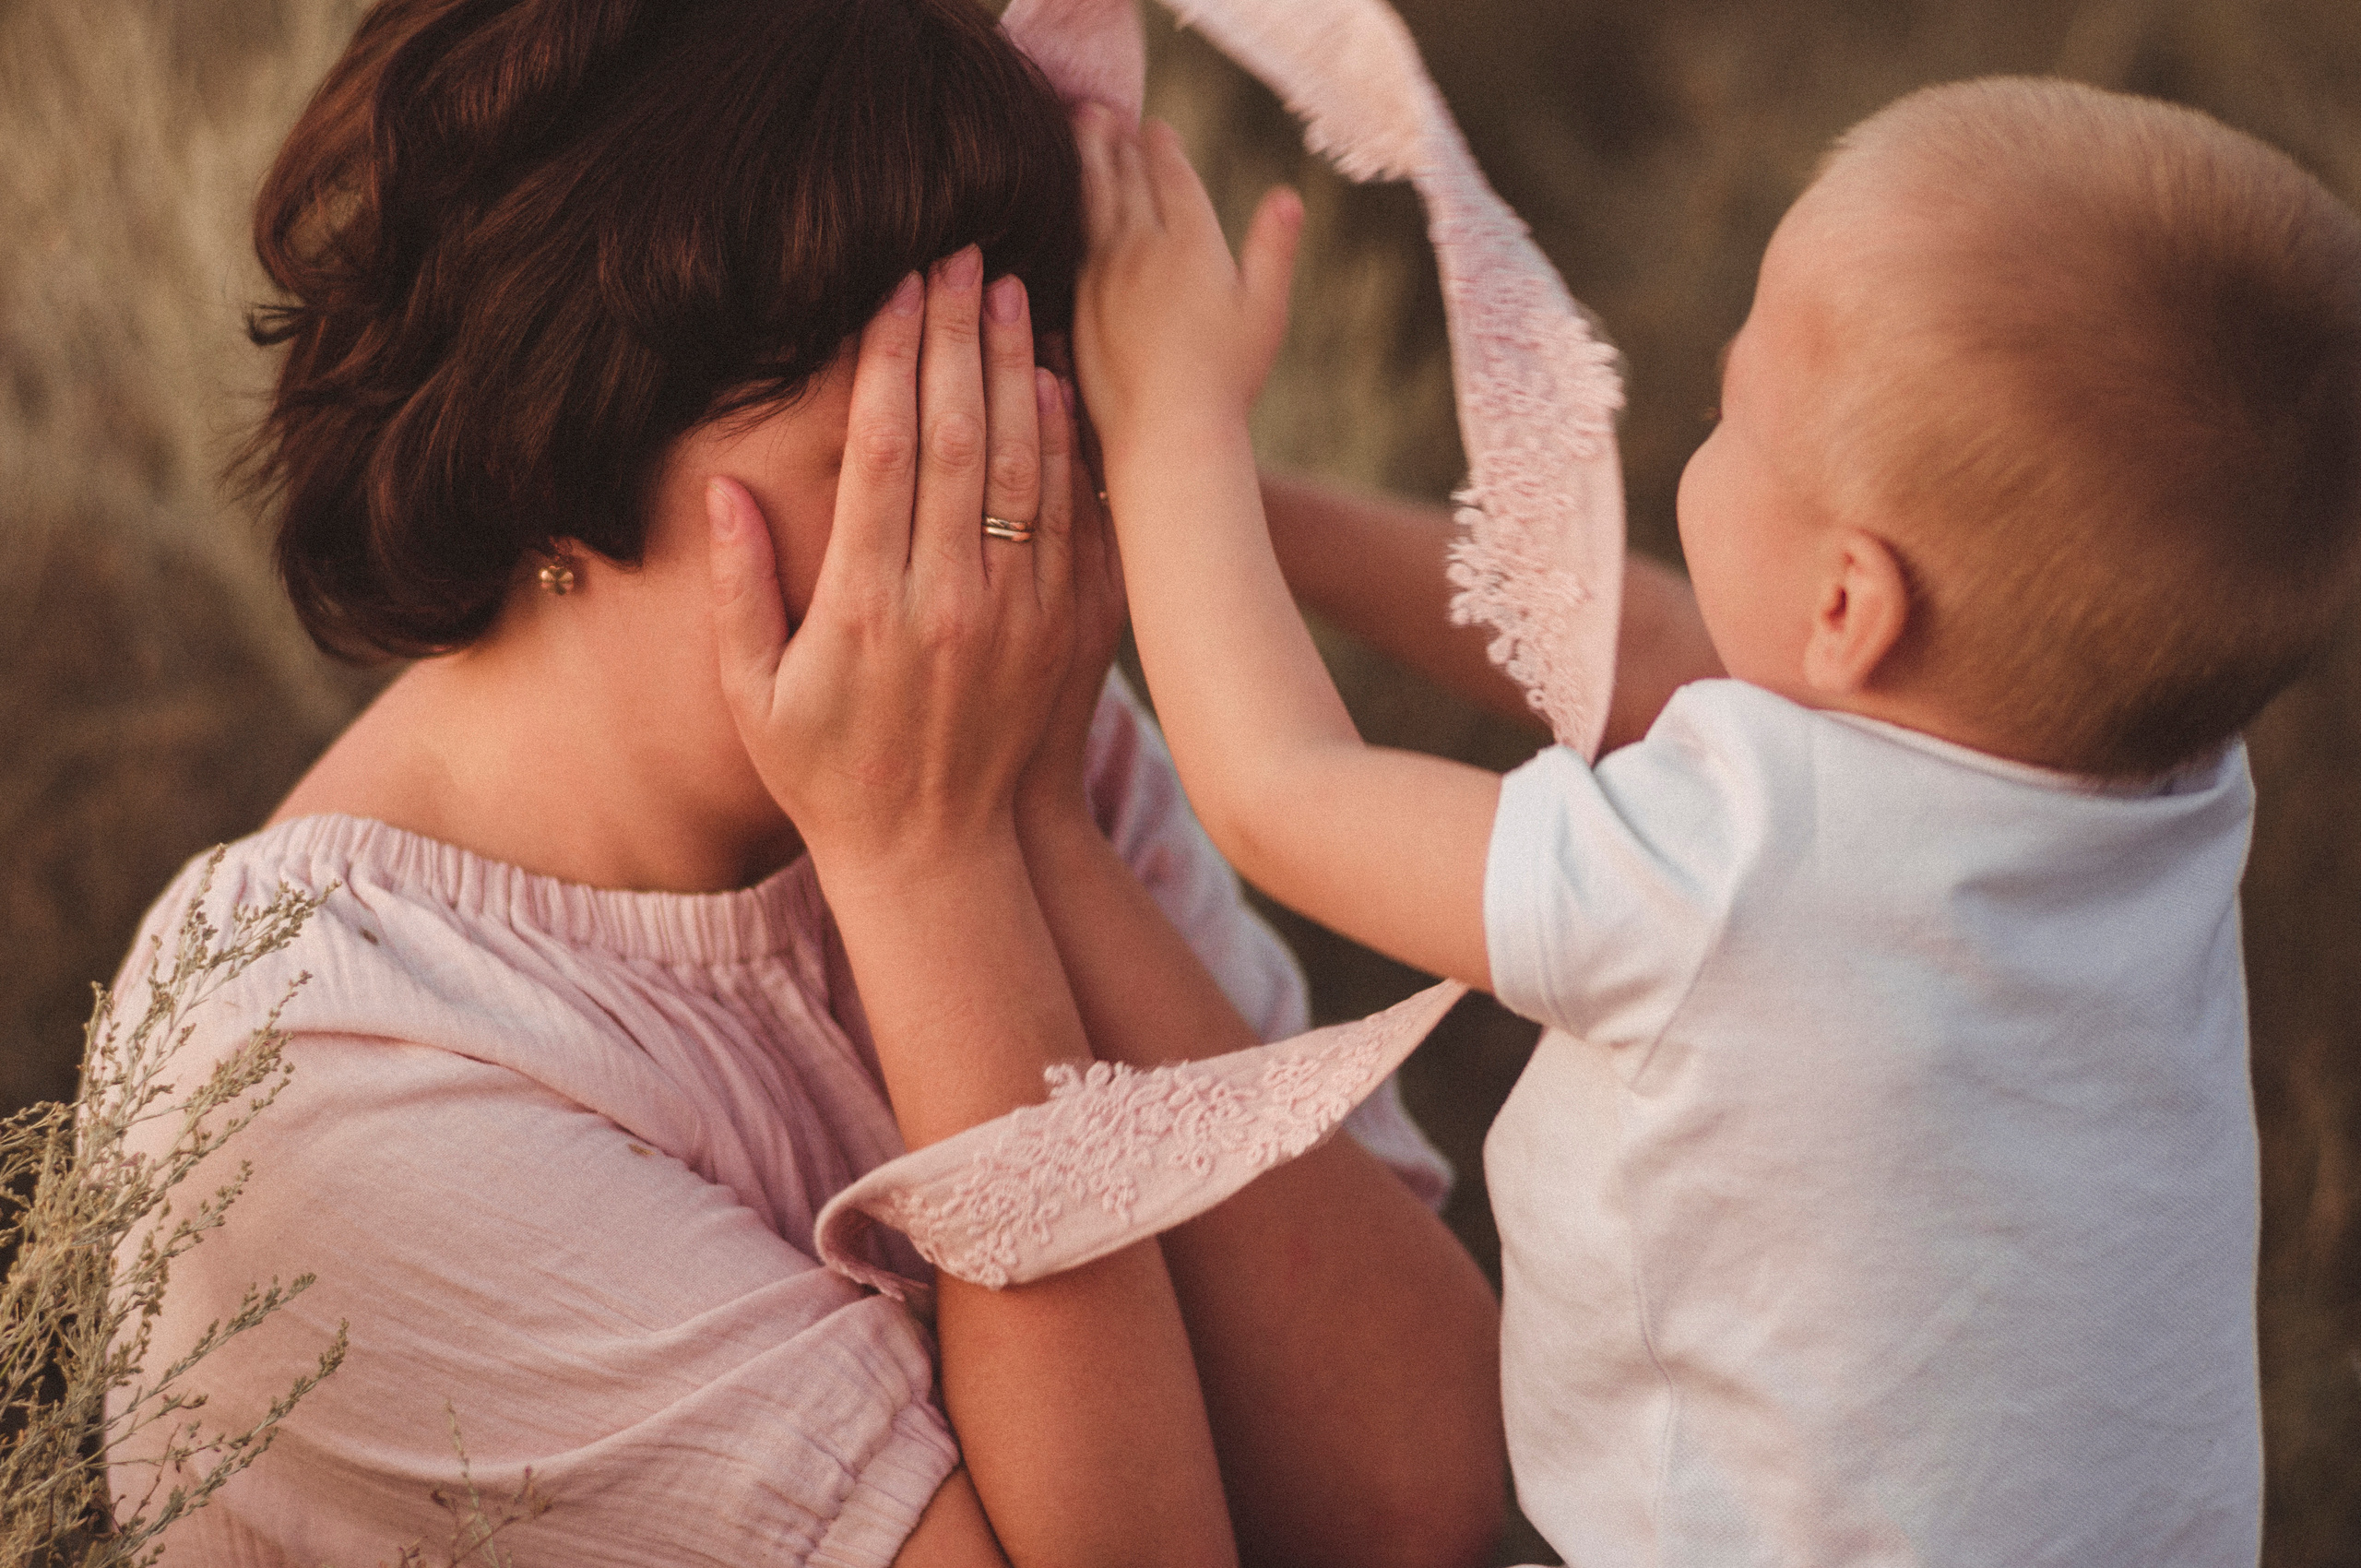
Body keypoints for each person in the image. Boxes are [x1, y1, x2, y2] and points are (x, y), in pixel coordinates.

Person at [100, 2, 1526, 1563]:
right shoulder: (324, 1082)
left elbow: (1424, 1486)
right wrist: (935, 872)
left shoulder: (998, 724)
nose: (1005, 532)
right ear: (555, 439)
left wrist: (1039, 833)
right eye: (915, 455)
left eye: (1033, 425)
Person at [1067, 76, 2361, 1563]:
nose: (1703, 415)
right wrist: (1254, 513)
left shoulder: (1729, 881)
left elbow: (1280, 795)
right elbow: (1668, 656)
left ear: (1848, 604)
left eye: (1732, 409)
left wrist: (1168, 431)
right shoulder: (2159, 785)